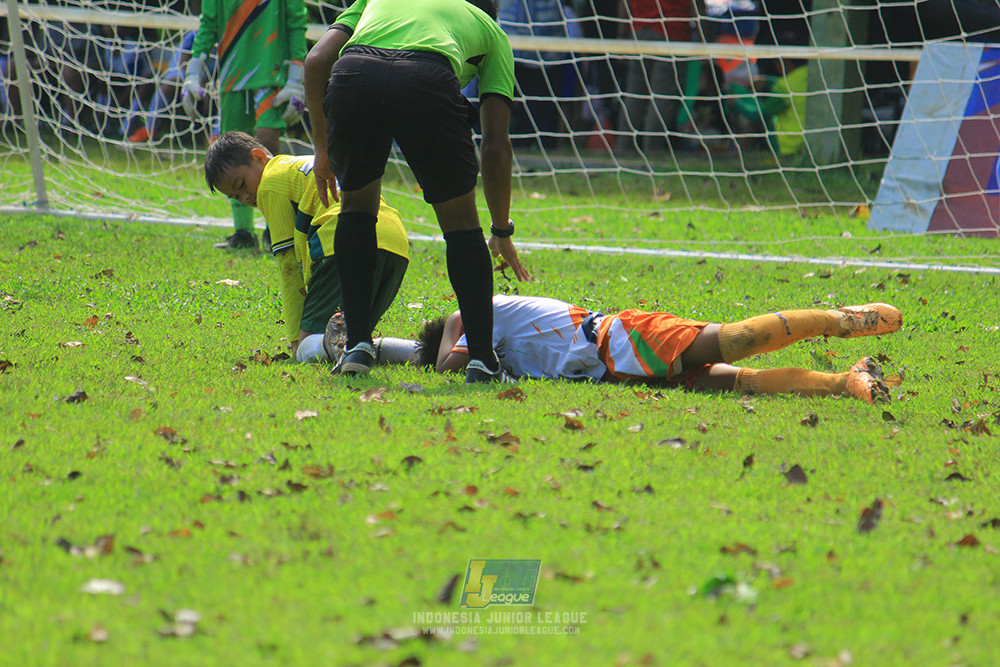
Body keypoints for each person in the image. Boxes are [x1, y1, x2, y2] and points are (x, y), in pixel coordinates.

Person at [303, 0, 530, 383]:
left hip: (353, 74)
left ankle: (356, 345)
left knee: (356, 208)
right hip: (426, 78)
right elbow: (494, 145)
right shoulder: (490, 30)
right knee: (461, 226)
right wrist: (500, 229)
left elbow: (316, 60)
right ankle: (482, 361)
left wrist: (322, 149)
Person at [413, 294, 902, 404]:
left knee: (733, 339)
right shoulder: (495, 345)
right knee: (739, 382)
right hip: (611, 371)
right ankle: (849, 380)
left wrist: (424, 363)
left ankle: (841, 319)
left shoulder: (470, 310)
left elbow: (452, 365)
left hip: (622, 336)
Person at [203, 131, 410, 363]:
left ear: (259, 157)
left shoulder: (270, 184)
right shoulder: (303, 164)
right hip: (395, 243)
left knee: (310, 346)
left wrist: (296, 342)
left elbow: (288, 267)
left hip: (342, 243)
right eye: (236, 196)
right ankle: (424, 351)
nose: (245, 197)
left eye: (241, 184)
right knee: (354, 340)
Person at [183, 0, 308, 250]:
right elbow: (207, 24)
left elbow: (296, 21)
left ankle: (277, 223)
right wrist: (193, 72)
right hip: (232, 77)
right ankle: (243, 233)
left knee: (267, 143)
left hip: (271, 75)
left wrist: (297, 78)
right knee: (230, 152)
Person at [617, 0, 704, 154]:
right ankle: (652, 152)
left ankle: (624, 149)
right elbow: (697, 6)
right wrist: (703, 38)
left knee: (634, 96)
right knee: (662, 99)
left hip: (640, 31)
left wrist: (623, 33)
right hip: (672, 32)